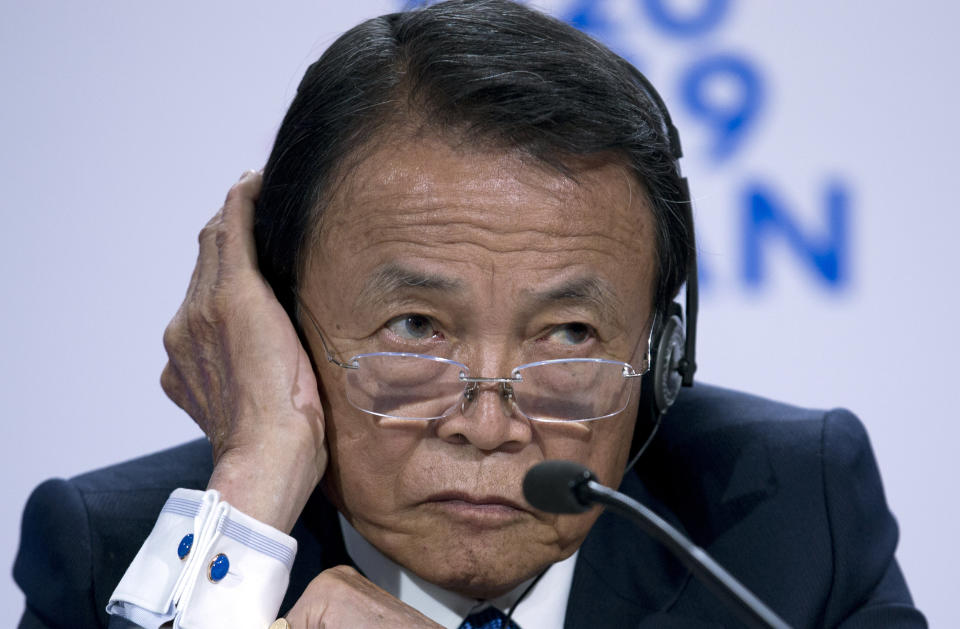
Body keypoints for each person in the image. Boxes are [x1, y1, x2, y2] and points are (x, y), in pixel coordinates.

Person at [14, 1, 926, 627]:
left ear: (660, 356)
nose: (489, 426)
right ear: (283, 325)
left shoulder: (785, 514)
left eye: (568, 335)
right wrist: (254, 477)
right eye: (416, 327)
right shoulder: (115, 555)